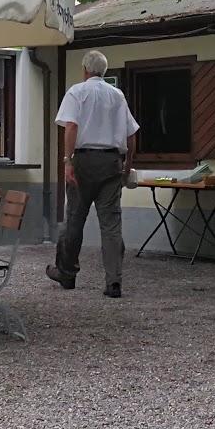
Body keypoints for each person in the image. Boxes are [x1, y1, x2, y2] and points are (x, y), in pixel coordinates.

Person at [47, 49, 139, 298]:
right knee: (111, 224)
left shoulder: (77, 91)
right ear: (104, 71)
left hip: (84, 161)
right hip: (111, 162)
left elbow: (71, 126)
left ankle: (67, 272)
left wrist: (67, 161)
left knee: (75, 218)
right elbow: (131, 134)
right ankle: (114, 282)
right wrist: (127, 165)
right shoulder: (117, 95)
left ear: (85, 70)